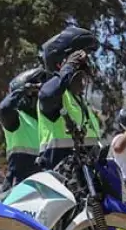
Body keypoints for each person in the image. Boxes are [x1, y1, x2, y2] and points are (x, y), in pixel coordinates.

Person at [37, 26, 101, 170]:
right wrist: (69, 66)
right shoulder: (54, 94)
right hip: (62, 179)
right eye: (80, 64)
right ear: (61, 63)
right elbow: (47, 94)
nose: (85, 69)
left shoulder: (80, 101)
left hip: (89, 178)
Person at [0, 67, 48, 187]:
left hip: (43, 186)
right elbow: (4, 109)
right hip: (20, 188)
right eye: (36, 95)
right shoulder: (17, 120)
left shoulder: (44, 122)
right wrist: (23, 90)